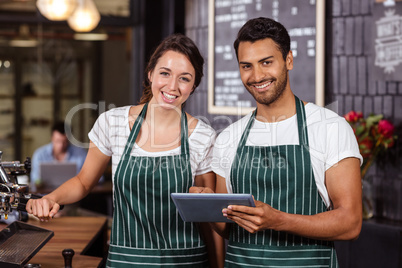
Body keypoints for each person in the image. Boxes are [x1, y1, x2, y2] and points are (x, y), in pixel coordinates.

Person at [26, 33, 224, 267]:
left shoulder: (203, 135)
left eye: (184, 78)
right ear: (150, 74)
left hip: (184, 261)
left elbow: (208, 218)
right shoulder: (113, 122)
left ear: (194, 86)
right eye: (165, 73)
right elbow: (83, 182)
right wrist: (51, 198)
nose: (172, 86)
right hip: (125, 261)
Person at [191, 17, 363, 267]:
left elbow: (350, 223)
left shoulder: (330, 128)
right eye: (246, 66)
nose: (257, 75)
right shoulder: (229, 137)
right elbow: (228, 230)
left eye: (266, 62)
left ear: (289, 60)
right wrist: (209, 206)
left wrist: (277, 220)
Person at [30, 121, 87, 189]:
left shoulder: (81, 153)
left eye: (65, 141)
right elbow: (35, 180)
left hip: (73, 196)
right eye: (57, 141)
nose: (61, 145)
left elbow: (95, 178)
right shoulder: (39, 154)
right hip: (46, 195)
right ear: (51, 138)